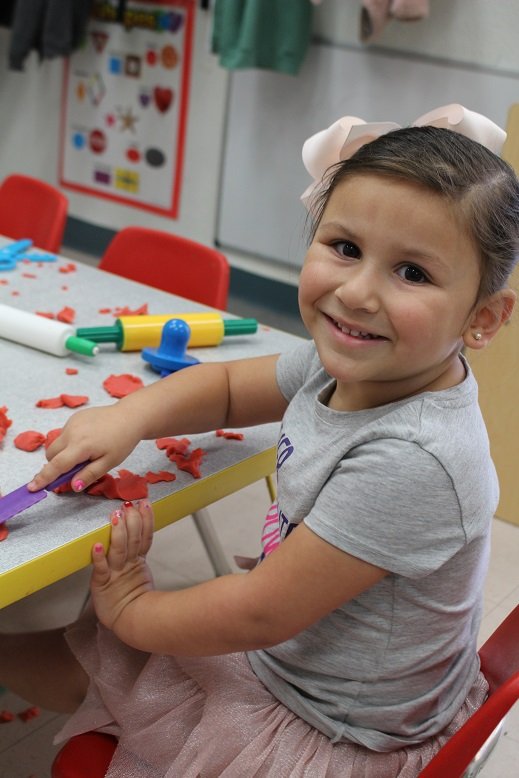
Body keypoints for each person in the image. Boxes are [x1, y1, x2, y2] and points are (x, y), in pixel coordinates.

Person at [2, 104, 519, 777]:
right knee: (76, 655)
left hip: (330, 726)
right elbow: (224, 388)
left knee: (104, 656)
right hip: (307, 660)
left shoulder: (414, 460)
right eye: (345, 248)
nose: (356, 293)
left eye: (412, 273)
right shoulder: (357, 365)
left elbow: (257, 615)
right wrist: (129, 417)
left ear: (483, 318)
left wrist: (130, 610)